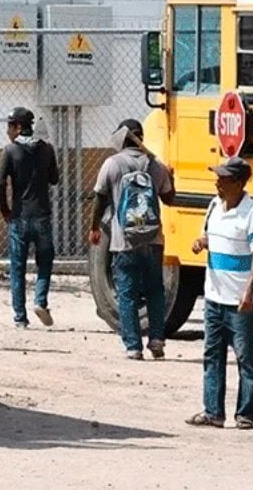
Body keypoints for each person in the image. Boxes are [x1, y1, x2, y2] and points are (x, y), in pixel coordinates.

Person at [186, 155, 253, 431]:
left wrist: (249, 292)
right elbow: (211, 236)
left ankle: (245, 414)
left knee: (245, 358)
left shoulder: (252, 212)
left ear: (239, 183)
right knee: (212, 355)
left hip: (239, 301)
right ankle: (213, 412)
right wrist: (201, 242)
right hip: (214, 298)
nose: (217, 183)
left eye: (223, 179)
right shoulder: (214, 206)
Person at [89, 119, 176, 360]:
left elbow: (99, 198)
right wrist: (171, 177)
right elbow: (169, 199)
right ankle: (156, 339)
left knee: (127, 293)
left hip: (123, 241)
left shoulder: (113, 164)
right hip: (153, 239)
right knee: (155, 290)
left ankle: (133, 346)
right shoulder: (155, 165)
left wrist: (94, 227)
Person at [0, 106, 59, 329]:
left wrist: (5, 209)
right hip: (42, 215)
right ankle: (40, 301)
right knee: (45, 262)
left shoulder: (10, 151)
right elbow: (54, 179)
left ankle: (20, 317)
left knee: (17, 267)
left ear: (18, 127)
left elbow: (0, 183)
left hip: (19, 216)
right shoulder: (46, 149)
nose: (7, 131)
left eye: (10, 126)